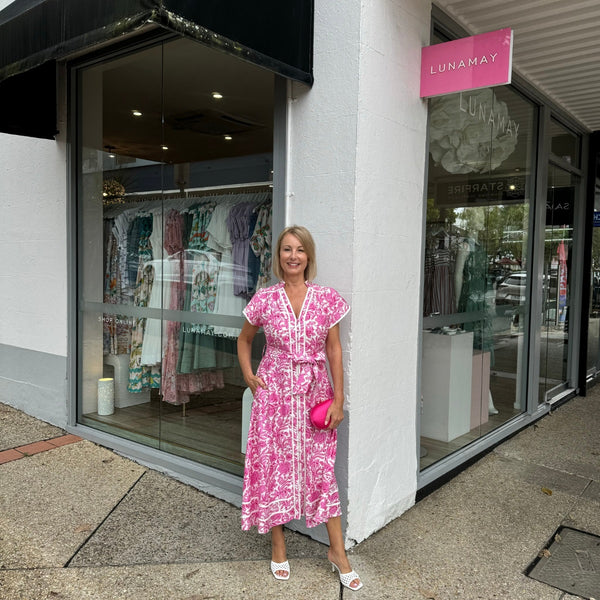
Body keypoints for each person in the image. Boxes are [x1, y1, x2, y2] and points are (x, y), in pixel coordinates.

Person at [237, 225, 363, 591]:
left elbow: (334, 349)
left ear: (309, 257)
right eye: (286, 250)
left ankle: (337, 552)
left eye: (300, 250)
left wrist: (339, 399)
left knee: (321, 468)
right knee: (275, 465)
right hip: (273, 393)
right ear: (278, 257)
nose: (293, 256)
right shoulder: (264, 298)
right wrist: (248, 374)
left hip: (314, 392)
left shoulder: (326, 299)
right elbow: (244, 339)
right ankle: (278, 544)